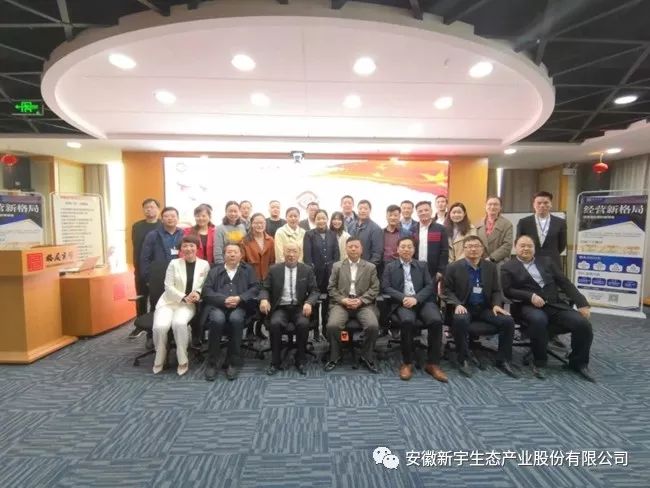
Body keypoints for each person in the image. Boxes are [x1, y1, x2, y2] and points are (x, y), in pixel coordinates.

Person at [501, 235, 594, 381]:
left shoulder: (547, 261)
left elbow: (564, 283)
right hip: (527, 306)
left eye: (529, 246)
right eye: (522, 245)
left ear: (534, 248)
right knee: (539, 320)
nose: (526, 248)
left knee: (583, 323)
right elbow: (507, 290)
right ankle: (539, 362)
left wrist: (582, 303)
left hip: (555, 304)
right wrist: (530, 296)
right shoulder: (508, 267)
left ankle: (578, 363)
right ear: (515, 247)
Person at [442, 235, 517, 378]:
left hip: (485, 308)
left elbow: (496, 290)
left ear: (482, 249)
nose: (473, 249)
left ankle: (503, 360)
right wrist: (457, 304)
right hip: (464, 306)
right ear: (464, 249)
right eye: (469, 246)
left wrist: (496, 305)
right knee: (460, 319)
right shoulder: (453, 267)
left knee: (507, 321)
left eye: (477, 246)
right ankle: (463, 359)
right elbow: (446, 291)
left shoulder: (490, 267)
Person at [382, 237, 447, 382]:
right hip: (402, 303)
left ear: (414, 249)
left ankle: (433, 363)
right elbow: (386, 287)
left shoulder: (422, 265)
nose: (406, 249)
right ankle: (407, 363)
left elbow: (429, 286)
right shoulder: (390, 266)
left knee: (436, 321)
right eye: (403, 246)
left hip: (422, 301)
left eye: (409, 247)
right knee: (407, 321)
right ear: (397, 249)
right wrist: (403, 298)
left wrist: (416, 298)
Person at [151, 235, 210, 375]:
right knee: (160, 327)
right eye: (185, 246)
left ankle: (183, 360)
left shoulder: (204, 264)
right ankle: (160, 357)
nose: (188, 248)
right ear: (181, 249)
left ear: (197, 248)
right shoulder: (174, 263)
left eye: (191, 245)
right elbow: (168, 286)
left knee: (179, 323)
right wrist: (183, 297)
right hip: (168, 302)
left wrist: (198, 293)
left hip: (188, 305)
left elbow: (204, 285)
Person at [260, 243, 320, 375]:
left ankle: (300, 359)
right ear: (283, 253)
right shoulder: (274, 269)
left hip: (299, 307)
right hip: (281, 307)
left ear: (299, 254)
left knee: (303, 324)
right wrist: (264, 299)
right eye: (288, 251)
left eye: (294, 251)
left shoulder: (307, 270)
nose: (291, 255)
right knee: (275, 324)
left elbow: (315, 291)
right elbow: (265, 288)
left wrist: (309, 303)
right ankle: (275, 361)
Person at [202, 243, 259, 381]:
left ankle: (233, 361)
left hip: (240, 306)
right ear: (224, 255)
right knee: (217, 320)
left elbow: (255, 288)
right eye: (229, 252)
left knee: (236, 319)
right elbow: (207, 291)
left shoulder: (248, 270)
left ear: (241, 255)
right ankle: (212, 362)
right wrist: (224, 300)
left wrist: (240, 298)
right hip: (218, 306)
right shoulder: (215, 270)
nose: (232, 254)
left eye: (235, 252)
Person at [324, 237, 380, 373]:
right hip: (341, 304)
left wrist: (361, 300)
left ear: (361, 249)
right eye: (350, 247)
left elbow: (375, 288)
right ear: (346, 249)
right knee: (332, 326)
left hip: (363, 304)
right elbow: (331, 288)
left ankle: (366, 356)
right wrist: (343, 300)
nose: (353, 249)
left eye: (356, 246)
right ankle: (335, 356)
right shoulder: (337, 266)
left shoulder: (370, 267)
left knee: (372, 326)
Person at [303, 209, 340, 338]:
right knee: (314, 301)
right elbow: (307, 257)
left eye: (323, 218)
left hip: (330, 274)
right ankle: (315, 331)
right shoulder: (309, 234)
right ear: (315, 220)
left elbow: (336, 255)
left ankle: (325, 328)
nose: (321, 221)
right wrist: (310, 271)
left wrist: (334, 269)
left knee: (328, 302)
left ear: (327, 219)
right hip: (315, 274)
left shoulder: (332, 234)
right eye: (318, 218)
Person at [128, 198, 160, 339]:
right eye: (146, 207)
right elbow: (136, 247)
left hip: (157, 268)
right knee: (141, 296)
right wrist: (138, 266)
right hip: (140, 266)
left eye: (152, 207)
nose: (149, 209)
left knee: (156, 298)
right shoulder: (137, 226)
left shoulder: (162, 225)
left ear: (158, 209)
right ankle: (139, 326)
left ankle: (154, 326)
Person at [516, 191, 567, 269]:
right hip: (529, 263)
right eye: (539, 203)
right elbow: (518, 243)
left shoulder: (560, 222)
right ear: (534, 205)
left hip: (553, 264)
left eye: (546, 203)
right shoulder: (524, 222)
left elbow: (562, 245)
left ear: (551, 204)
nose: (542, 205)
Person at [140, 206, 184, 290]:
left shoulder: (183, 234)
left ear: (178, 218)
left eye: (173, 216)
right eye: (166, 216)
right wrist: (147, 278)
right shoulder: (153, 235)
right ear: (162, 219)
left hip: (180, 275)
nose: (170, 218)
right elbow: (145, 258)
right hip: (159, 275)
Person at [412, 201, 449, 282]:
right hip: (416, 268)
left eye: (426, 210)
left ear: (431, 211)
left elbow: (444, 251)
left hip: (434, 270)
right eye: (420, 211)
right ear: (417, 213)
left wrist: (441, 270)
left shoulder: (441, 229)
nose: (423, 213)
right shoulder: (413, 229)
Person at [475, 196, 513, 266]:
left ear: (500, 207)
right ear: (485, 206)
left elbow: (507, 245)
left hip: (499, 262)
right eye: (490, 204)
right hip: (480, 262)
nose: (492, 207)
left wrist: (491, 258)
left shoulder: (507, 224)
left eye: (496, 204)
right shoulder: (478, 224)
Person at [241, 213, 276, 282]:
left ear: (265, 224)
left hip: (268, 278)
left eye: (262, 223)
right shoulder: (245, 241)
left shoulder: (271, 240)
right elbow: (242, 263)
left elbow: (273, 260)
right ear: (251, 224)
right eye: (256, 223)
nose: (259, 225)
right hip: (251, 279)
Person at [214, 201, 247, 265]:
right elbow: (218, 249)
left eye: (235, 211)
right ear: (226, 212)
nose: (233, 214)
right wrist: (220, 265)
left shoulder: (242, 227)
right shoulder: (220, 228)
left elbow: (245, 246)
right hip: (226, 264)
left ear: (239, 212)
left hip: (241, 263)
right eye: (230, 211)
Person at [353, 199, 383, 268]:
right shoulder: (351, 226)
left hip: (366, 267)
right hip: (352, 266)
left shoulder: (376, 229)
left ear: (370, 210)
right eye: (360, 208)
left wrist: (369, 268)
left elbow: (377, 253)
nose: (363, 211)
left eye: (365, 209)